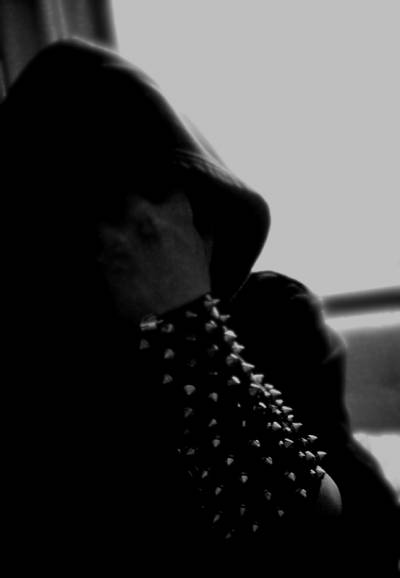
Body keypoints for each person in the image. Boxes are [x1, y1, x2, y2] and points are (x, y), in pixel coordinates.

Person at [2, 39, 398, 575]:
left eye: (159, 212)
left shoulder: (273, 314)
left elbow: (360, 551)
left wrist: (189, 328)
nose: (136, 240)